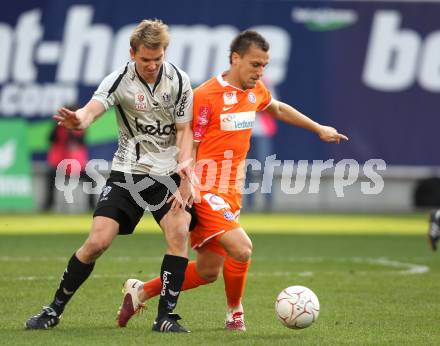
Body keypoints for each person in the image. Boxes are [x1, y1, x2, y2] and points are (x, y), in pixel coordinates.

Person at [117, 30, 348, 331]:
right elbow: (190, 144)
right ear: (235, 59)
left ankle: (142, 290)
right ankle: (234, 312)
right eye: (255, 64)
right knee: (242, 248)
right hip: (204, 187)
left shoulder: (255, 91)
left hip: (231, 191)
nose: (260, 71)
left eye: (264, 65)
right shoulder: (204, 96)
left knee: (208, 271)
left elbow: (275, 108)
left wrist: (317, 128)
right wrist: (188, 182)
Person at [25, 19, 195, 333]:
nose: (152, 66)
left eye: (157, 60)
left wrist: (186, 177)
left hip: (168, 173)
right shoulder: (118, 80)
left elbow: (185, 131)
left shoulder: (180, 82)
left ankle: (165, 318)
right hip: (128, 172)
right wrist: (80, 120)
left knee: (179, 234)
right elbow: (92, 109)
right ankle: (53, 309)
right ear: (133, 54)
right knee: (97, 242)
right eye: (145, 60)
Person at [44, 104, 95, 211]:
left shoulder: (80, 128)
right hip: (59, 165)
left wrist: (71, 130)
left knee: (90, 180)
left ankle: (92, 207)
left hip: (75, 166)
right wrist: (59, 126)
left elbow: (80, 142)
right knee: (50, 177)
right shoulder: (58, 127)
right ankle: (48, 206)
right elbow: (50, 139)